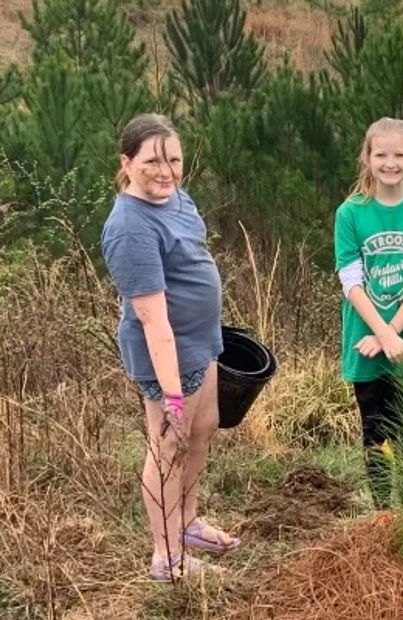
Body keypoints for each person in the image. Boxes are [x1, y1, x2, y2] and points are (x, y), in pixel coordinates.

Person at [101, 113, 238, 581]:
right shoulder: (129, 228)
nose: (165, 171)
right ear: (127, 162)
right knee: (169, 447)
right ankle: (167, 557)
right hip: (167, 355)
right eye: (152, 161)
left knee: (202, 431)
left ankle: (187, 523)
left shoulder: (177, 197)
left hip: (201, 341)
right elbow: (153, 321)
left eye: (174, 160)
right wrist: (172, 396)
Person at [334, 117, 403, 509]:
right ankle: (383, 512)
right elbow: (351, 283)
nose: (390, 163)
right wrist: (381, 335)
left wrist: (393, 333)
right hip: (363, 344)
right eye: (380, 154)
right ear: (367, 158)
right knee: (375, 432)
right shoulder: (350, 213)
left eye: (399, 154)